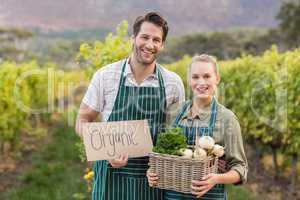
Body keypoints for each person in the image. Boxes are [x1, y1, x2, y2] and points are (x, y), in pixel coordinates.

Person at [75, 12, 185, 200]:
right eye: (145, 37)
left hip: (153, 180)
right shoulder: (106, 76)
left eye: (156, 40)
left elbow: (179, 133)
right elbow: (82, 120)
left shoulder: (172, 82)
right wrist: (106, 150)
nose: (150, 45)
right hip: (111, 178)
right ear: (133, 38)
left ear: (162, 45)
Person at [147, 54, 248, 199]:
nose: (201, 82)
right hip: (172, 196)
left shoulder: (227, 119)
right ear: (189, 81)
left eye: (207, 76)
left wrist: (216, 179)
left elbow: (240, 167)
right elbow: (161, 155)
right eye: (195, 77)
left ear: (217, 79)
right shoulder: (173, 112)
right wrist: (151, 172)